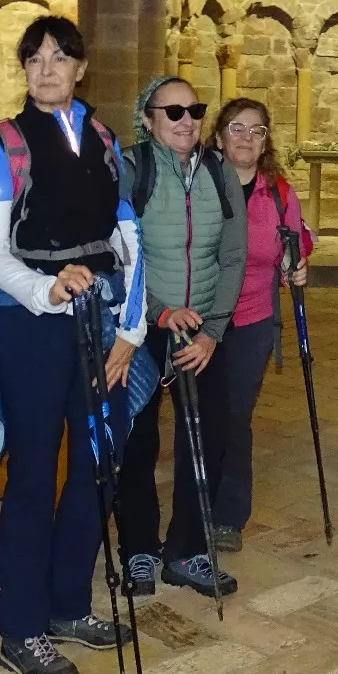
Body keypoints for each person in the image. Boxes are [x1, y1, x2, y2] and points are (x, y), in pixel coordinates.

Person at [0, 16, 144, 674]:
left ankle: (70, 601)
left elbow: (128, 236)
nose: (47, 68)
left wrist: (132, 329)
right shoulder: (2, 146)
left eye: (60, 57)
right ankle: (22, 627)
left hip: (103, 330)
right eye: (35, 57)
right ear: (24, 69)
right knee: (35, 475)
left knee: (101, 465)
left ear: (81, 67)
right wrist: (46, 288)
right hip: (33, 331)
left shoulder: (102, 139)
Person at [116, 75, 247, 599]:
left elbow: (233, 254)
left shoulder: (219, 171)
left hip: (205, 329)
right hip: (143, 327)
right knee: (136, 439)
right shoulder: (133, 169)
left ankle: (188, 550)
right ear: (147, 118)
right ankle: (140, 550)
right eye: (173, 112)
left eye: (195, 109)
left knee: (208, 439)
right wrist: (157, 311)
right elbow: (121, 253)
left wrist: (213, 330)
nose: (187, 120)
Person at [205, 98, 312, 553]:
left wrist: (297, 263)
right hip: (202, 314)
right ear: (218, 136)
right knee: (203, 413)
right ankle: (196, 503)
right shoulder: (201, 185)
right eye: (237, 128)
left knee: (235, 414)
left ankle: (228, 514)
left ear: (267, 139)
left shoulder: (280, 192)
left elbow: (296, 239)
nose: (246, 138)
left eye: (256, 130)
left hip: (252, 317)